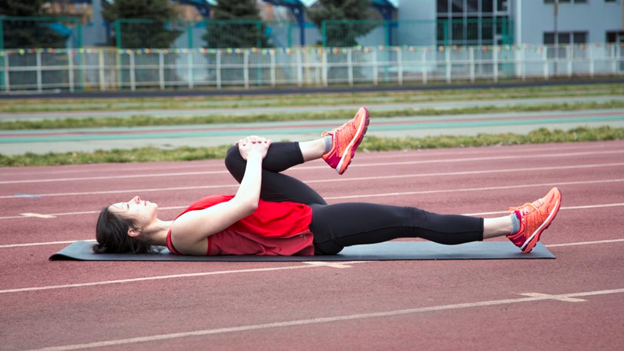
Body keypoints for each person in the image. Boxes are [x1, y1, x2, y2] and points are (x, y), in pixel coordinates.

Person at [94, 107, 562, 256]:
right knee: (410, 218)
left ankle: (329, 146)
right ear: (132, 230)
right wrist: (258, 158)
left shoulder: (178, 228)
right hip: (311, 232)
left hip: (294, 216)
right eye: (126, 206)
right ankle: (515, 226)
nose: (133, 199)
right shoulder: (181, 234)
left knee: (231, 158)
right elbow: (244, 205)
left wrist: (248, 159)